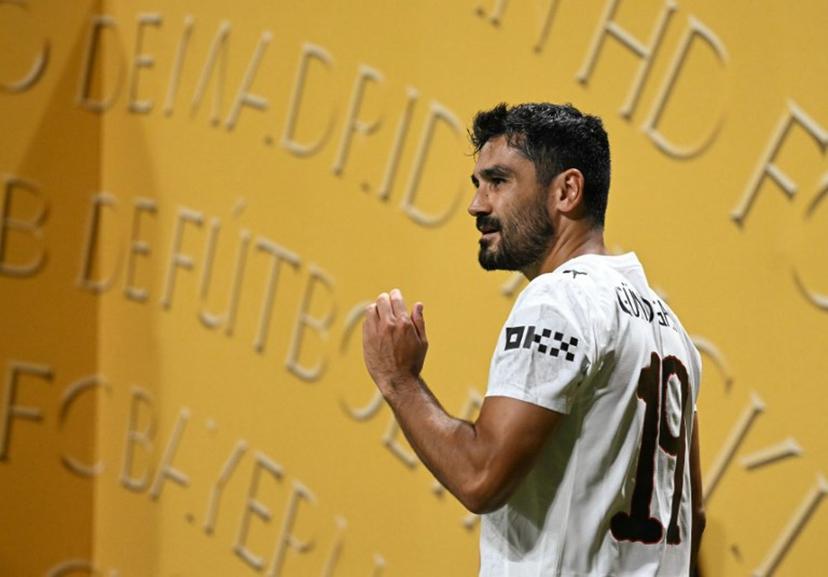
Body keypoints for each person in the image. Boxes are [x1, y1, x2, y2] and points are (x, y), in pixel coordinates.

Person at [362, 102, 705, 577]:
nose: (477, 205)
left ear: (567, 190)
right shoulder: (669, 325)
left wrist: (398, 379)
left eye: (498, 182)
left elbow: (480, 477)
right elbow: (692, 516)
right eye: (477, 185)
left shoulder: (558, 299)